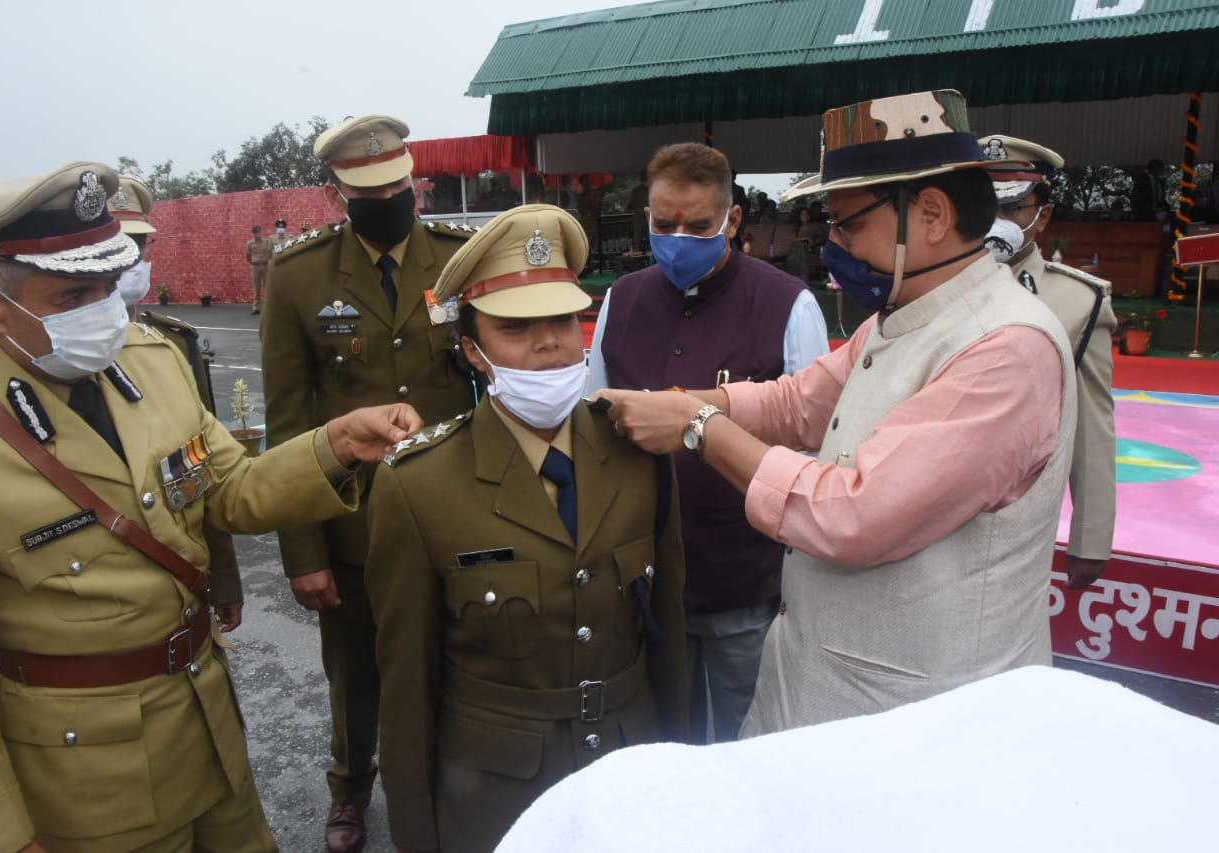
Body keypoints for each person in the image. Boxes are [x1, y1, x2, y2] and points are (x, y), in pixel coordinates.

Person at [0, 161, 422, 853]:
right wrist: (5, 840)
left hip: (209, 732)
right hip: (87, 784)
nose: (107, 309)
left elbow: (230, 490)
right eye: (75, 293)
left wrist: (335, 443)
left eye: (110, 285)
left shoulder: (150, 359)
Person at [594, 89, 1077, 734]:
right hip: (832, 681)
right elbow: (798, 402)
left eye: (849, 223)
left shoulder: (1004, 348)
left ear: (931, 213)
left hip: (922, 709)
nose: (834, 243)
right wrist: (691, 401)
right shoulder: (901, 319)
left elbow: (854, 514)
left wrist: (697, 428)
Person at [366, 204, 688, 853]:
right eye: (515, 326)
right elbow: (406, 699)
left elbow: (671, 641)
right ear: (473, 349)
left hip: (631, 774)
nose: (548, 343)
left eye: (564, 319)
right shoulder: (418, 485)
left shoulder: (640, 453)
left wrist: (682, 778)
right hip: (496, 799)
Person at [259, 114, 476, 853]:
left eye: (399, 183)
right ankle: (350, 788)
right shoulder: (298, 276)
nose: (390, 197)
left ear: (414, 178)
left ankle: (450, 774)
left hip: (448, 509)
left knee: (453, 652)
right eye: (369, 189)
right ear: (335, 192)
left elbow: (483, 385)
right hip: (350, 516)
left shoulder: (457, 259)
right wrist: (302, 548)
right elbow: (286, 424)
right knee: (354, 670)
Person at [586, 142, 828, 743]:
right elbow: (593, 421)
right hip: (645, 581)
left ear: (732, 220)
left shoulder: (788, 305)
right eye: (663, 224)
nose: (678, 238)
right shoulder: (623, 299)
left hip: (746, 581)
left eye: (698, 226)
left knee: (755, 742)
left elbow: (814, 444)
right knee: (665, 744)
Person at [979, 134, 1117, 589]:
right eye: (983, 205)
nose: (995, 221)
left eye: (1012, 207)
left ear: (1043, 215)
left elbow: (1091, 427)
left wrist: (1090, 539)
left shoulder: (1077, 300)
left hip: (1014, 521)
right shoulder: (923, 283)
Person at [109, 175, 249, 622]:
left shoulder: (172, 342)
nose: (132, 258)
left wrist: (223, 578)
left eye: (140, 245)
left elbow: (198, 469)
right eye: (117, 244)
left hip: (186, 582)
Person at [245, 224, 272, 314]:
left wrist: (267, 261)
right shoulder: (250, 243)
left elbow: (271, 253)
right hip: (255, 266)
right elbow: (248, 256)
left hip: (265, 266)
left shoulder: (267, 242)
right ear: (253, 233)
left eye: (258, 232)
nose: (256, 234)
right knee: (257, 287)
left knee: (267, 286)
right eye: (255, 233)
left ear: (260, 232)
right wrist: (253, 262)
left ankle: (268, 306)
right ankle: (256, 307)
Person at [1130, 158, 1168, 222]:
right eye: (1160, 168)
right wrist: (1135, 212)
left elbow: (1162, 198)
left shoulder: (1161, 182)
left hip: (1158, 215)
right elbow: (1134, 196)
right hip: (1143, 214)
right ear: (1154, 167)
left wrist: (1165, 210)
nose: (1162, 170)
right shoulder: (1142, 178)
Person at [576, 173, 603, 252]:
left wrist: (593, 207)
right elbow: (580, 208)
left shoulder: (595, 192)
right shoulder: (581, 195)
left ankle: (589, 258)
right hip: (584, 219)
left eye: (587, 180)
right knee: (583, 240)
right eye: (584, 181)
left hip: (592, 218)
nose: (586, 182)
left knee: (591, 241)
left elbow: (598, 205)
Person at [626, 171, 650, 253]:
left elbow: (629, 205)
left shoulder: (636, 190)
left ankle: (638, 254)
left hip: (642, 216)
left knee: (638, 239)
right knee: (640, 238)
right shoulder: (638, 190)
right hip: (642, 216)